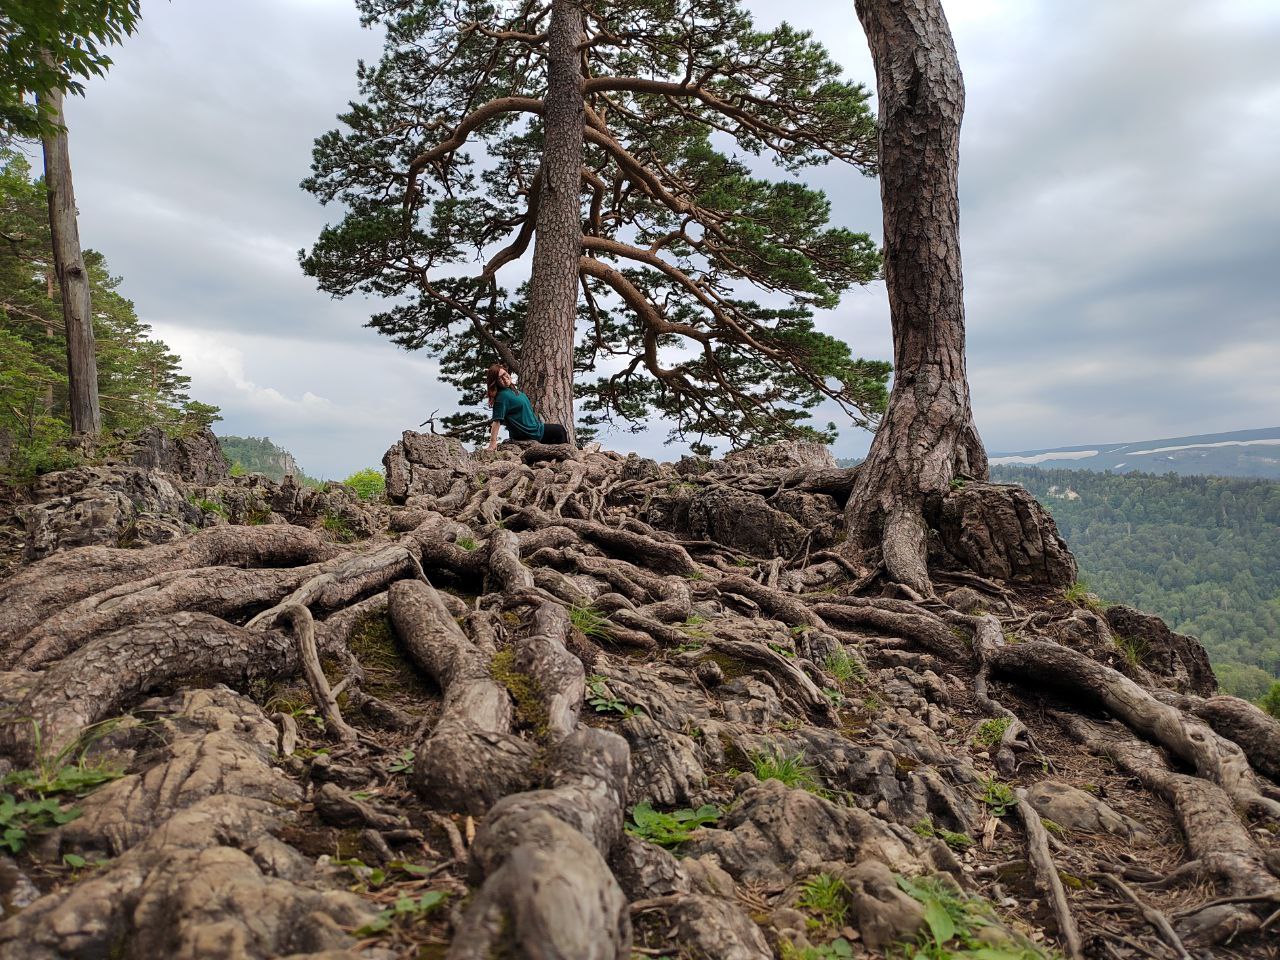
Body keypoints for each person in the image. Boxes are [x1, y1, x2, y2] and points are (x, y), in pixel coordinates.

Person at [485, 362, 569, 450]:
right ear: (495, 382)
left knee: (560, 432)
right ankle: (566, 454)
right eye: (500, 378)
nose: (505, 379)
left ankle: (567, 450)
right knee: (559, 430)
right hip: (527, 433)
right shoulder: (502, 397)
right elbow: (497, 420)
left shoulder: (514, 391)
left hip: (535, 428)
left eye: (505, 374)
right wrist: (492, 442)